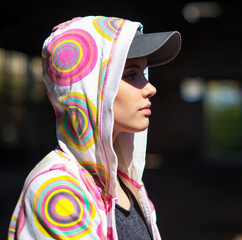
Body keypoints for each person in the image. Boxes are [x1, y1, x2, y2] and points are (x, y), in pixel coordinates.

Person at [8, 16, 181, 240]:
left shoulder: (126, 183)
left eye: (143, 73)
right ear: (90, 88)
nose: (150, 88)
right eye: (131, 74)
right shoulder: (57, 192)